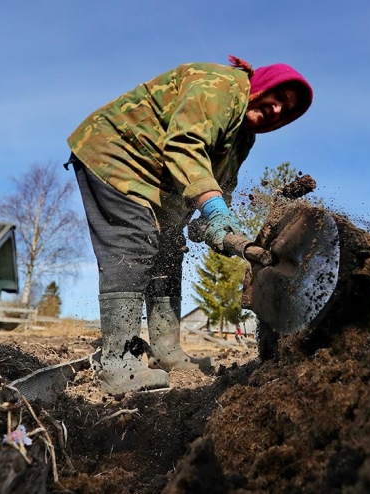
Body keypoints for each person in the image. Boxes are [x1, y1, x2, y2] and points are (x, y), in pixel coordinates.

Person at [66, 56, 313, 394]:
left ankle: (167, 352)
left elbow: (220, 186)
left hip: (157, 181)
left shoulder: (243, 139)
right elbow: (185, 146)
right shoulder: (220, 86)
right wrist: (213, 210)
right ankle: (118, 362)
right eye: (279, 97)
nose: (277, 110)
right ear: (261, 86)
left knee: (169, 251)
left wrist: (218, 227)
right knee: (133, 245)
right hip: (118, 155)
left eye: (287, 112)